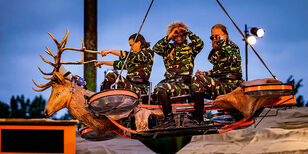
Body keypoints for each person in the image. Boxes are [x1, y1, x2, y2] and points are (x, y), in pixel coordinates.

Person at [153, 21, 204, 127]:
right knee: (158, 89)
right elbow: (155, 48)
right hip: (169, 82)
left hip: (184, 83)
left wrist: (187, 31)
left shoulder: (190, 48)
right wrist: (171, 34)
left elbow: (200, 44)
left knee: (162, 88)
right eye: (176, 33)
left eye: (181, 33)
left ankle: (171, 119)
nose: (179, 35)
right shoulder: (167, 49)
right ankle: (168, 119)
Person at [190, 24, 243, 123]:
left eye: (217, 36)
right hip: (221, 83)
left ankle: (198, 117)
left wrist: (221, 42)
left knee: (197, 81)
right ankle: (194, 116)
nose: (214, 39)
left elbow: (234, 59)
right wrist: (204, 74)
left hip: (232, 86)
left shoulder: (232, 47)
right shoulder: (216, 52)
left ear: (225, 36)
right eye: (212, 37)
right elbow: (217, 71)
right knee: (193, 83)